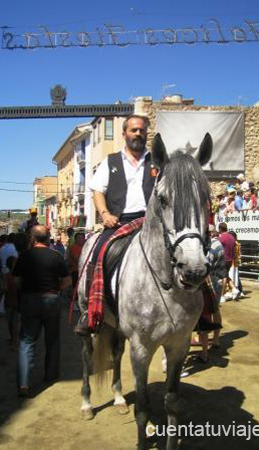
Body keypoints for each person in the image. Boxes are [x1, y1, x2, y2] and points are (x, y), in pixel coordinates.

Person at [74, 114, 155, 335]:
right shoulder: (110, 162)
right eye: (133, 130)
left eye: (142, 130)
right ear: (124, 134)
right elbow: (97, 191)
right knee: (96, 252)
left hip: (152, 222)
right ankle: (89, 310)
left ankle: (201, 313)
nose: (138, 133)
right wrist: (105, 214)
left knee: (185, 253)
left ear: (146, 133)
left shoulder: (157, 161)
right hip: (118, 221)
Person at [13, 225, 71, 397]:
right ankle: (51, 375)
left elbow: (16, 280)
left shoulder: (24, 256)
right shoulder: (56, 256)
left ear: (33, 238)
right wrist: (57, 289)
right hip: (52, 299)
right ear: (47, 238)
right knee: (52, 340)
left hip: (30, 299)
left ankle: (24, 384)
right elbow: (67, 281)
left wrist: (25, 290)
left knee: (27, 342)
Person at [218, 222, 239, 302]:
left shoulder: (222, 238)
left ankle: (222, 295)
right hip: (230, 259)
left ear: (220, 229)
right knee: (225, 275)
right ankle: (234, 289)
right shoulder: (231, 237)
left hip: (224, 259)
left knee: (223, 277)